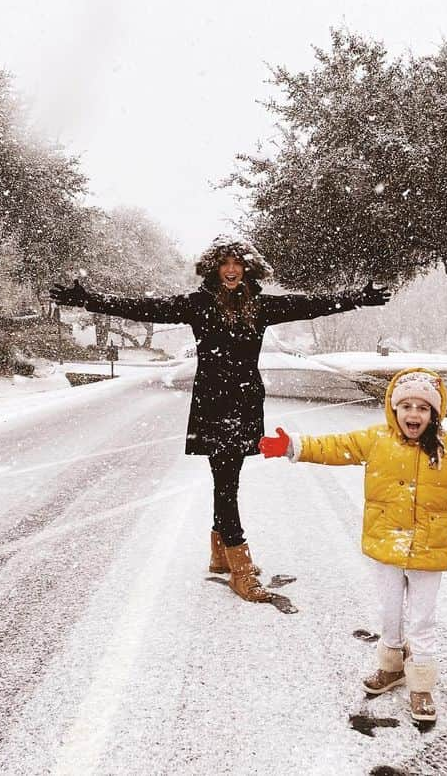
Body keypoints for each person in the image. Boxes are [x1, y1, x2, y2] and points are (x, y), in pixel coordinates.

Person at [49, 235, 390, 603]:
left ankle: (219, 554)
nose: (231, 269)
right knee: (226, 483)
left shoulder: (261, 306)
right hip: (213, 405)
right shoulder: (198, 305)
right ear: (214, 268)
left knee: (228, 480)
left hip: (245, 401)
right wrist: (89, 300)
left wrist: (357, 298)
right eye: (224, 263)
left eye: (237, 262)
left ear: (248, 268)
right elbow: (143, 308)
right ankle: (239, 568)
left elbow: (310, 305)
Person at [257, 368, 447, 721]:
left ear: (435, 413)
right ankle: (391, 667)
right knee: (389, 614)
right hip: (386, 544)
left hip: (428, 549)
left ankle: (420, 683)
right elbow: (335, 446)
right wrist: (293, 446)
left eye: (423, 407)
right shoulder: (376, 439)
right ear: (393, 410)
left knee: (422, 621)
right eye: (405, 405)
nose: (413, 414)